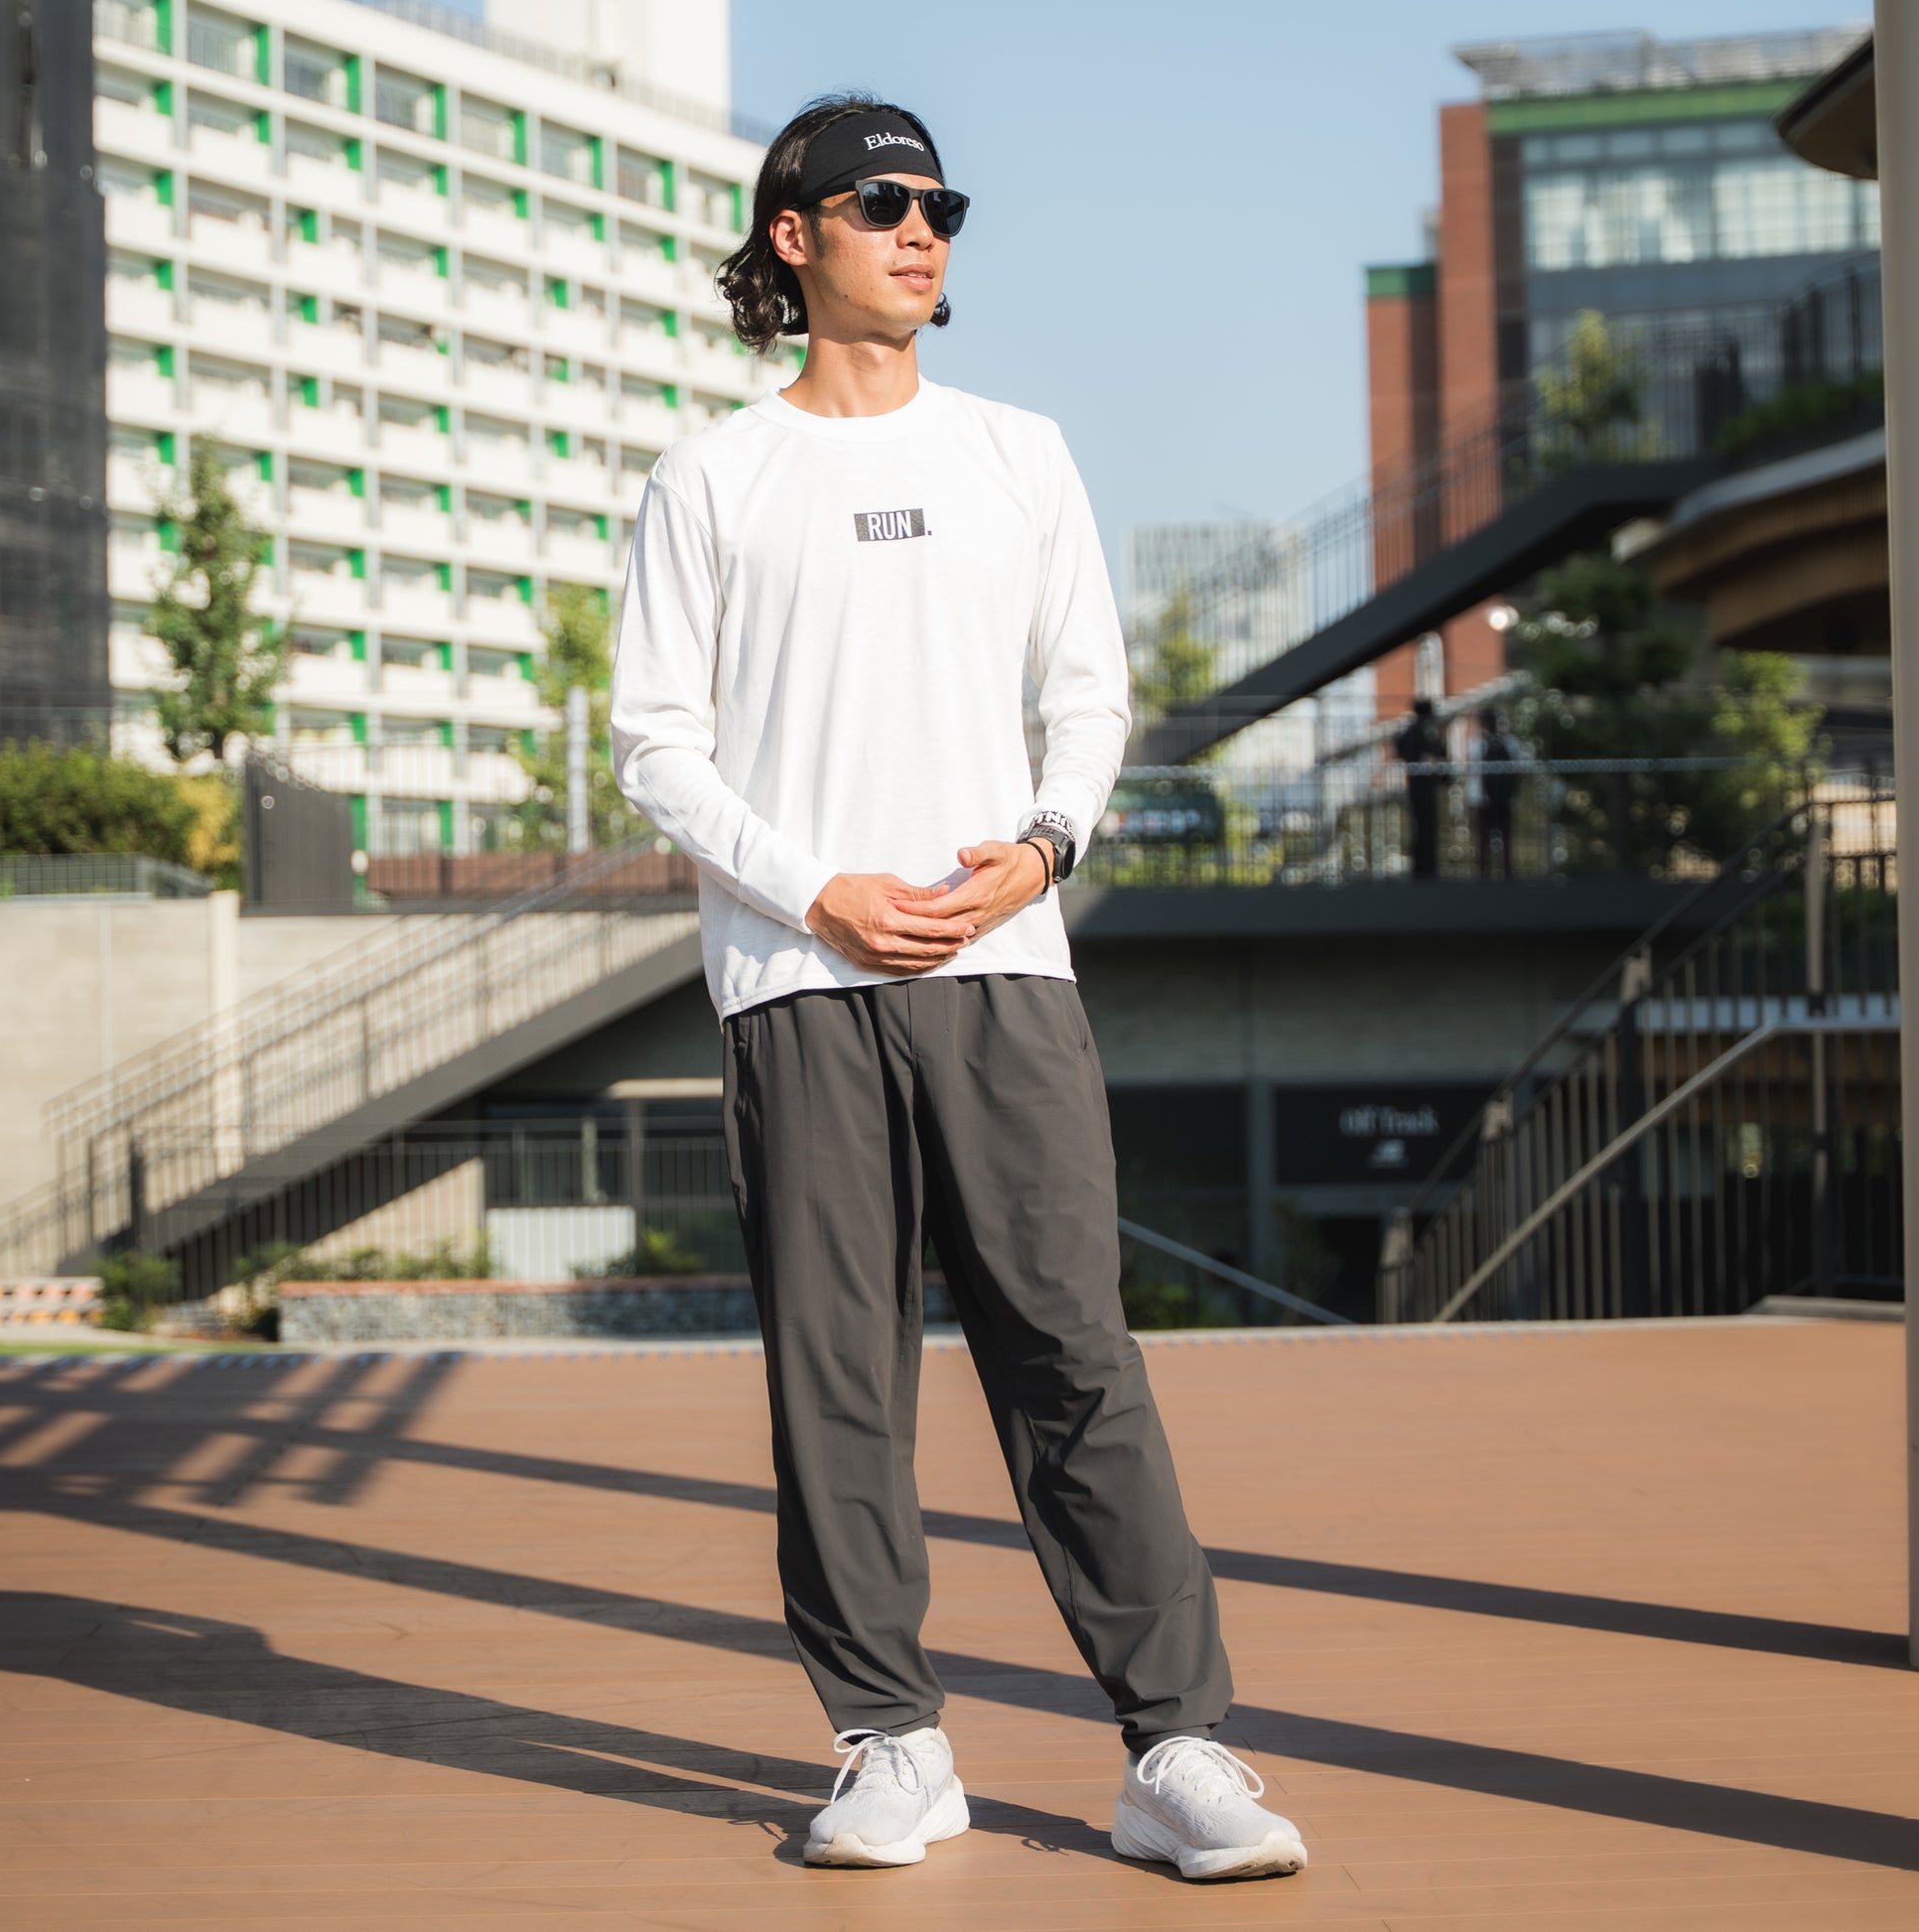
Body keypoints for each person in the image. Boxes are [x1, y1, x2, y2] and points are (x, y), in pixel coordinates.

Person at [610, 94, 1305, 1885]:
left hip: (1004, 968)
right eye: (882, 202)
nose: (922, 230)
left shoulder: (1018, 452)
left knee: (1071, 1350)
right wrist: (815, 887)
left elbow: (1088, 696)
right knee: (835, 1374)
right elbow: (655, 746)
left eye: (941, 205)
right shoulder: (710, 478)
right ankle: (891, 1744)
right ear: (794, 236)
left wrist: (1046, 845)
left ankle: (1174, 1750)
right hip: (796, 976)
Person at [1395, 695, 1445, 879]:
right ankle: (1424, 868)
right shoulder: (1420, 731)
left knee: (1425, 828)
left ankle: (1426, 867)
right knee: (1424, 827)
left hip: (1422, 787)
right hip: (1421, 787)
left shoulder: (1421, 730)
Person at [1473, 708, 1520, 879]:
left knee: (1483, 838)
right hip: (1505, 798)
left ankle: (1483, 874)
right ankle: (1507, 873)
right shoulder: (1510, 742)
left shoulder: (1477, 744)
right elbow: (1517, 768)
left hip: (1482, 798)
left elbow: (1472, 768)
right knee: (1505, 837)